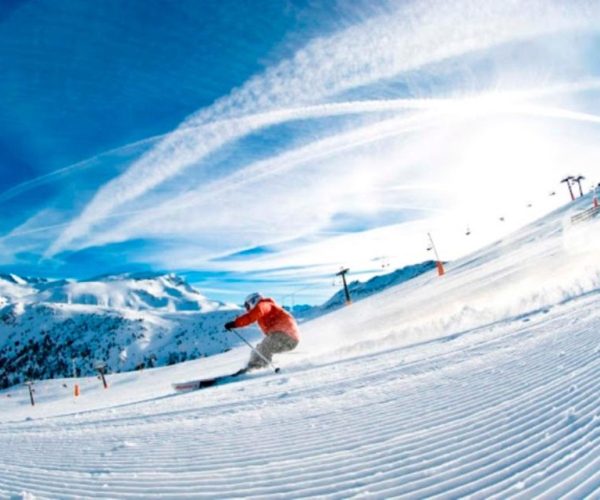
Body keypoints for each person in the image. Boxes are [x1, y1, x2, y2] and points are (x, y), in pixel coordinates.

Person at [224, 292, 300, 372]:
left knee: (264, 347)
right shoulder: (266, 308)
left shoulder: (264, 305)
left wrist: (235, 323)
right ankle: (252, 367)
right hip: (288, 339)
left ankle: (256, 368)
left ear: (253, 301)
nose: (247, 309)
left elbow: (252, 316)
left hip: (286, 336)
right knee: (258, 350)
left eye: (247, 305)